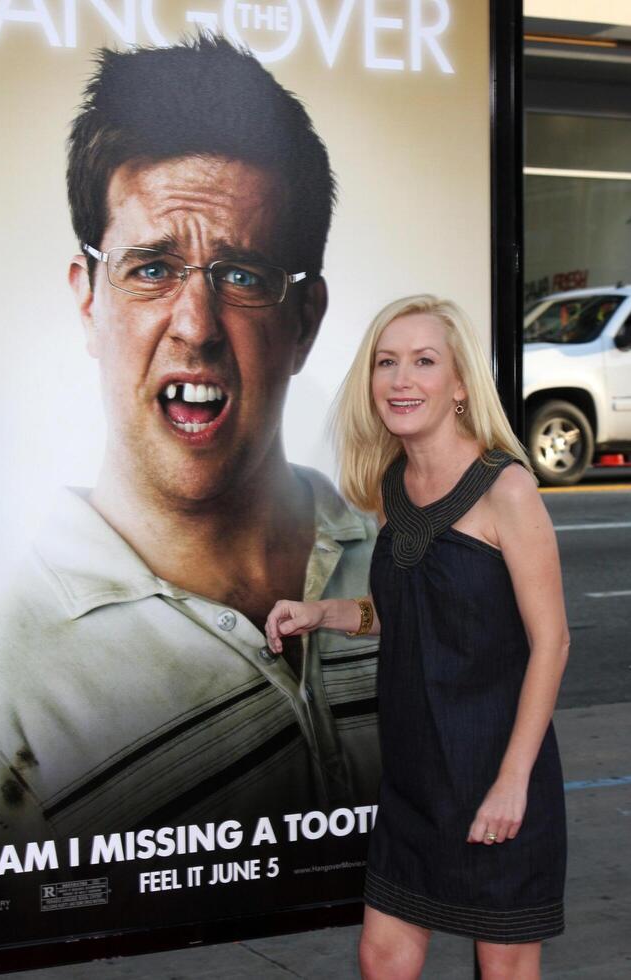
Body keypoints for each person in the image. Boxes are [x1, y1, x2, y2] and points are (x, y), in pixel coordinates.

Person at [0, 36, 379, 895]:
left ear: (306, 319)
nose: (194, 324)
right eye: (152, 269)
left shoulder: (405, 557)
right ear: (88, 301)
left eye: (240, 274)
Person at [266, 294, 569, 979]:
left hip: (496, 772)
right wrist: (322, 613)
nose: (401, 379)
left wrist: (513, 780)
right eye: (387, 362)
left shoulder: (506, 489)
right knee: (383, 959)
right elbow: (400, 611)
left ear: (460, 385)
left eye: (424, 361)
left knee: (506, 969)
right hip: (414, 781)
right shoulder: (392, 485)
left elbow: (552, 643)